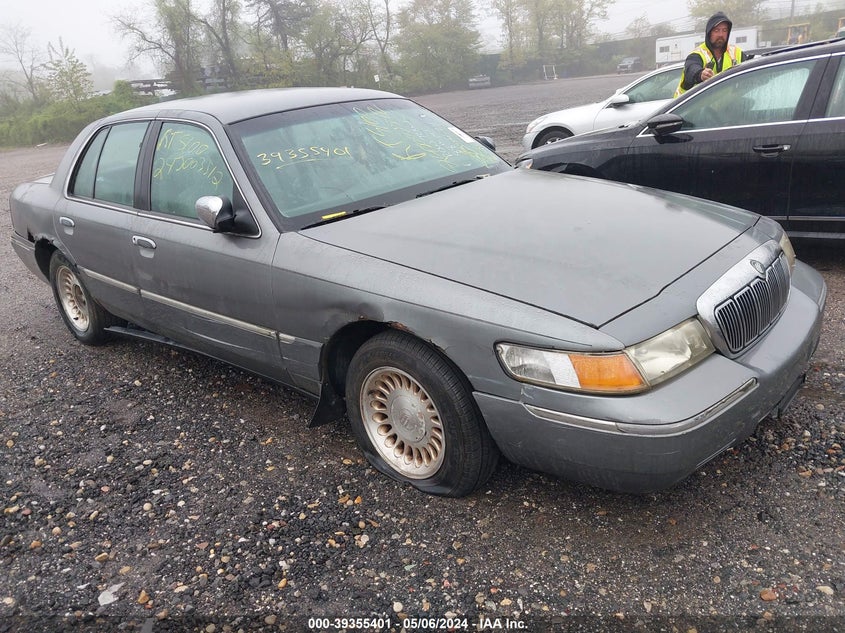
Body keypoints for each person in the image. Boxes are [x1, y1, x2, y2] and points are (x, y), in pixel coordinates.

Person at [674, 12, 745, 98]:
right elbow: (691, 69)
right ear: (709, 33)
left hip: (723, 107)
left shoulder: (736, 53)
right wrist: (700, 74)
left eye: (724, 30)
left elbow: (753, 71)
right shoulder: (697, 54)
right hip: (687, 108)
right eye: (716, 30)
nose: (721, 34)